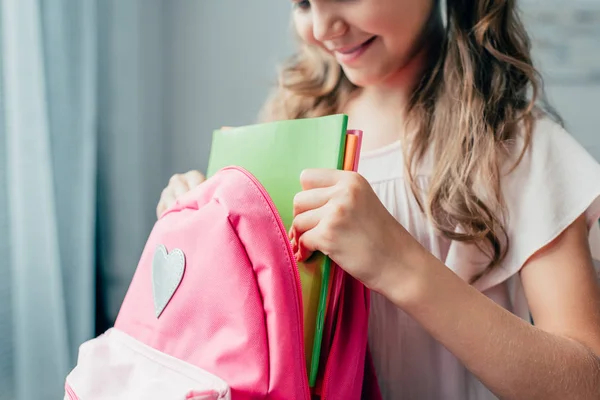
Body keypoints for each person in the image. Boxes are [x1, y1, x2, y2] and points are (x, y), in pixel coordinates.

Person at [156, 0, 600, 398]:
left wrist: (399, 263)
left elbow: (586, 384)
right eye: (303, 2)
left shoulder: (519, 147)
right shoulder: (289, 127)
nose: (324, 27)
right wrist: (200, 235)